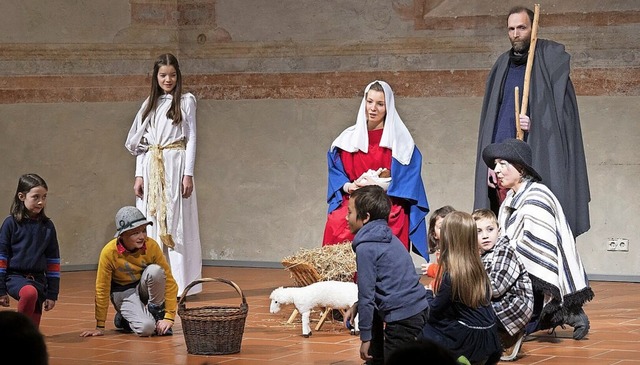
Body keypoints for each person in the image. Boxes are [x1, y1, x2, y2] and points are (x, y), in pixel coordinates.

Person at [473, 6, 590, 238]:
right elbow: (492, 119)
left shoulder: (549, 63)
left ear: (533, 28)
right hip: (504, 165)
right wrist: (490, 163)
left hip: (536, 164)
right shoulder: (501, 66)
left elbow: (563, 119)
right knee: (504, 225)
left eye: (522, 28)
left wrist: (535, 122)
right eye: (511, 29)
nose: (516, 34)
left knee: (534, 228)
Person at [482, 138, 594, 340]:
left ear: (521, 168)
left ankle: (564, 312)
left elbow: (537, 245)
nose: (496, 170)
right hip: (519, 271)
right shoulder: (511, 197)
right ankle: (551, 315)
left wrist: (506, 259)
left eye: (502, 164)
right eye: (495, 164)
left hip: (532, 274)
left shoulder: (537, 196)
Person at [323, 80, 430, 259]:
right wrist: (349, 186)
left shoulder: (400, 141)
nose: (373, 108)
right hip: (355, 200)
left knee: (394, 220)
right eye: (370, 101)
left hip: (387, 201)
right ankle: (341, 281)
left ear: (388, 107)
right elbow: (337, 171)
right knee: (336, 221)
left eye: (380, 104)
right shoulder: (347, 139)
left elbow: (409, 179)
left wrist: (380, 185)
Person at [124, 53, 202, 297]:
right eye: (163, 75)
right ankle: (154, 280)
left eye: (172, 75)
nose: (168, 79)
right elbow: (143, 144)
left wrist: (188, 174)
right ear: (155, 77)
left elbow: (191, 139)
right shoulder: (150, 103)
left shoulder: (186, 101)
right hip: (152, 167)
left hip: (175, 165)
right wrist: (139, 176)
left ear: (178, 76)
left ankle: (180, 284)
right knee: (153, 220)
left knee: (177, 224)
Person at [342, 185, 428, 365]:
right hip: (417, 308)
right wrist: (358, 305)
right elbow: (375, 291)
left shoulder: (366, 247)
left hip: (403, 317)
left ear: (365, 217)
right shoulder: (386, 235)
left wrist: (365, 339)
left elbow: (367, 295)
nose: (346, 217)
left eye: (350, 212)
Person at [80, 206, 178, 338]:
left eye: (144, 230)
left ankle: (157, 314)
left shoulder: (152, 246)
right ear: (122, 235)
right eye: (135, 233)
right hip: (123, 292)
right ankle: (124, 319)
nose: (142, 236)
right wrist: (100, 326)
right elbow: (102, 288)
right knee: (147, 329)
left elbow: (169, 281)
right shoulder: (109, 252)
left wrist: (169, 317)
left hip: (143, 287)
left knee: (156, 271)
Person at [419, 211, 502, 365]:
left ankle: (458, 360)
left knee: (425, 326)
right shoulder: (478, 267)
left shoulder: (452, 275)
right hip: (490, 338)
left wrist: (428, 294)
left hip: (470, 340)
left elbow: (435, 312)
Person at [0, 174, 60, 328]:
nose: (41, 202)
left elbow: (53, 261)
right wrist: (0, 289)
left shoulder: (48, 226)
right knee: (29, 293)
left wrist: (52, 293)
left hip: (38, 280)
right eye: (36, 197)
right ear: (21, 196)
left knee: (32, 331)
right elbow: (1, 257)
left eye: (44, 197)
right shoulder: (10, 223)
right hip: (14, 277)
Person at [473, 208, 533, 361]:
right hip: (499, 303)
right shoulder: (480, 254)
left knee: (468, 308)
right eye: (478, 231)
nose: (485, 235)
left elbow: (496, 288)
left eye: (490, 229)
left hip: (515, 305)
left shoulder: (504, 250)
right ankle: (497, 336)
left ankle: (505, 334)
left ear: (499, 230)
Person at [421, 205, 455, 280]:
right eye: (442, 227)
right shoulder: (441, 251)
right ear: (434, 234)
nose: (447, 230)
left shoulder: (459, 250)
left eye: (450, 226)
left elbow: (452, 274)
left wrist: (432, 269)